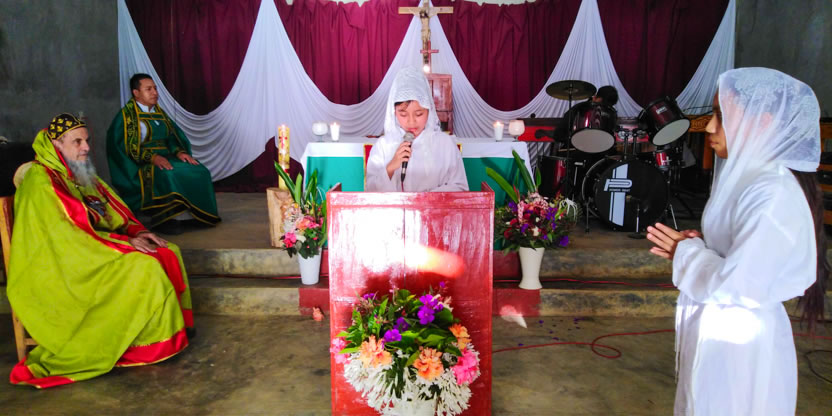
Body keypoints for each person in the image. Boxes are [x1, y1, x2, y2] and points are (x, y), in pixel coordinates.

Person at [646, 68, 827, 414]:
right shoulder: (749, 178)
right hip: (722, 330)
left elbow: (742, 283)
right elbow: (741, 253)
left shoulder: (773, 192)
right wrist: (704, 245)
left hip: (742, 343)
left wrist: (687, 252)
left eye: (721, 115)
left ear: (762, 122)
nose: (709, 127)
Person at [8, 114, 194, 388]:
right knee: (144, 265)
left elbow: (110, 207)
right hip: (61, 264)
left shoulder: (77, 170)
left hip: (89, 247)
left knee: (167, 251)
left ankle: (162, 335)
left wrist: (136, 232)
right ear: (57, 144)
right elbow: (66, 234)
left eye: (87, 140)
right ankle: (137, 346)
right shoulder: (41, 179)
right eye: (77, 142)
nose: (86, 147)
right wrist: (123, 244)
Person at [107, 73, 220, 234]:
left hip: (168, 157)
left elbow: (172, 137)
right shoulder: (127, 117)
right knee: (168, 174)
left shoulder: (159, 113)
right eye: (148, 89)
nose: (155, 92)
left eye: (155, 88)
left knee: (200, 170)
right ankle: (166, 219)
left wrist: (179, 152)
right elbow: (125, 148)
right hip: (141, 164)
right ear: (136, 93)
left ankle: (195, 215)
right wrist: (152, 158)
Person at [365, 67, 468, 192]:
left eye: (419, 114)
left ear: (429, 110)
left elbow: (460, 187)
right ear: (394, 112)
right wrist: (391, 167)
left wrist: (423, 199)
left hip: (433, 206)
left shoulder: (445, 144)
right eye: (403, 114)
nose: (411, 121)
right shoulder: (383, 146)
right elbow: (370, 192)